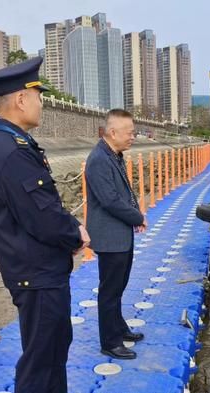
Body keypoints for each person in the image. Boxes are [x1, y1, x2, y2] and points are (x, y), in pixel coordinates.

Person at [0, 57, 90, 392]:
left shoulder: (11, 143)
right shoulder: (11, 150)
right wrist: (77, 233)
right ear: (21, 100)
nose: (42, 104)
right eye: (38, 96)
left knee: (54, 352)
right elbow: (42, 217)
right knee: (40, 362)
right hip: (38, 275)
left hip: (39, 272)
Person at [85, 109, 147, 360]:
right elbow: (109, 200)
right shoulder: (99, 158)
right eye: (129, 132)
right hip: (110, 237)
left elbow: (124, 193)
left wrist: (136, 214)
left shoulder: (115, 154)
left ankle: (119, 328)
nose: (133, 136)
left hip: (120, 233)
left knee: (118, 286)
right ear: (113, 132)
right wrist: (137, 217)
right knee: (110, 290)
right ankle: (110, 342)